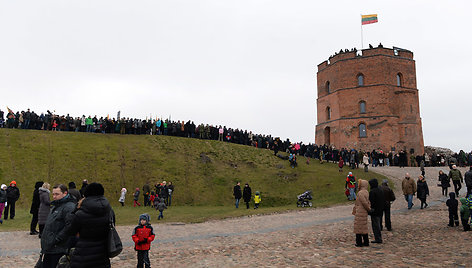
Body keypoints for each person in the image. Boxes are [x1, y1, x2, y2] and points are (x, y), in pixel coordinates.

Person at [66, 182, 114, 267]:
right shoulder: (109, 211)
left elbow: (70, 231)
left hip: (83, 254)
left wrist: (74, 210)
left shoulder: (80, 213)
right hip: (103, 254)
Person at [40, 184, 76, 268]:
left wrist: (57, 239)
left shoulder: (69, 207)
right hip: (49, 248)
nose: (54, 196)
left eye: (57, 194)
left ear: (65, 193)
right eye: (53, 194)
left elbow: (69, 226)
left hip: (58, 248)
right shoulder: (56, 205)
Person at [352, 179, 370, 247]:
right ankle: (366, 241)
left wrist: (368, 208)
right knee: (364, 227)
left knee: (358, 227)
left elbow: (364, 202)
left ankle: (359, 242)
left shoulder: (360, 193)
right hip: (364, 212)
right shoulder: (366, 192)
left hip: (360, 211)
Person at [369, 178, 384, 244]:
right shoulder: (380, 190)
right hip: (380, 209)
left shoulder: (372, 192)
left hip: (375, 211)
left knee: (375, 225)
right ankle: (378, 237)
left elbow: (371, 202)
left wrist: (370, 210)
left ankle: (378, 238)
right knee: (378, 224)